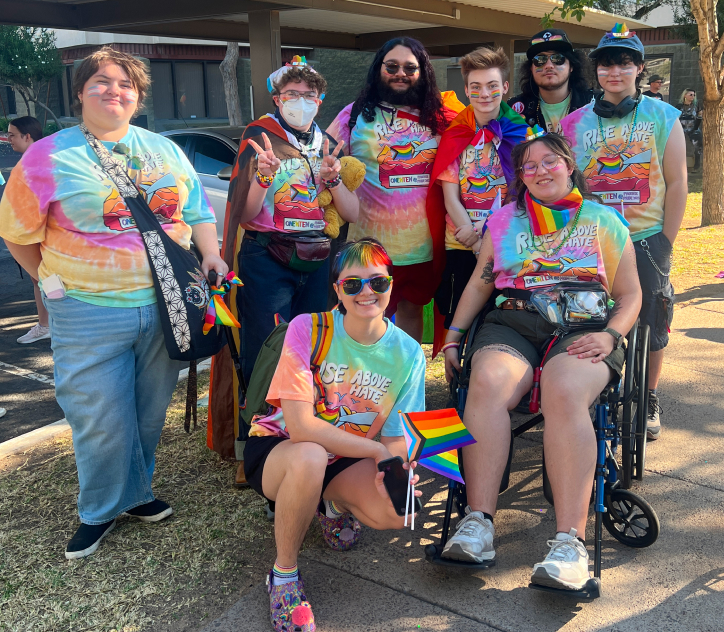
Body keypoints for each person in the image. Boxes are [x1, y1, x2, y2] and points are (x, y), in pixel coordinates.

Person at [0, 47, 225, 559]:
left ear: (138, 96)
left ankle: (137, 493)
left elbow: (194, 209)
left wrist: (210, 254)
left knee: (148, 411)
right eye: (100, 81)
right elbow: (16, 232)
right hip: (87, 308)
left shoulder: (164, 151)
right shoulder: (47, 155)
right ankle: (99, 510)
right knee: (99, 415)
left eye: (125, 84)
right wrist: (51, 284)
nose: (113, 91)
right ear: (80, 91)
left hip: (167, 301)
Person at [440, 131, 641, 591]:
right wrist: (453, 337)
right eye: (528, 166)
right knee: (488, 382)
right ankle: (478, 523)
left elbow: (630, 296)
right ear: (520, 178)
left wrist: (611, 336)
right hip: (514, 321)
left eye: (550, 161)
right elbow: (480, 283)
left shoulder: (604, 220)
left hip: (584, 328)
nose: (540, 171)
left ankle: (569, 544)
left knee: (565, 390)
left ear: (570, 165)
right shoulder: (504, 220)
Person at [243, 238, 426, 631]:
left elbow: (397, 435)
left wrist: (395, 470)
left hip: (347, 457)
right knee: (310, 454)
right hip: (282, 448)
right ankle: (284, 575)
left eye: (377, 283)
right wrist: (375, 452)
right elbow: (300, 426)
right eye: (352, 283)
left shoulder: (409, 352)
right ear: (337, 290)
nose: (366, 293)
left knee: (398, 512)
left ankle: (333, 506)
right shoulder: (307, 328)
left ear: (391, 286)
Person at [208, 59, 359, 472]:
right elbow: (244, 213)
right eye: (292, 95)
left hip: (316, 259)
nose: (301, 102)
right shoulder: (261, 137)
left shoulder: (327, 146)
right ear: (277, 98)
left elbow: (351, 211)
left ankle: (308, 430)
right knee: (266, 350)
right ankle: (254, 448)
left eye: (309, 96)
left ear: (320, 100)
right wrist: (261, 177)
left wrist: (332, 180)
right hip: (268, 257)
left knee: (314, 350)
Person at [561, 24, 687, 441]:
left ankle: (648, 395)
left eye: (624, 62)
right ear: (597, 71)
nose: (615, 71)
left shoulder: (663, 116)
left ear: (638, 68)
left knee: (652, 321)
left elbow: (678, 182)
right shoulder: (574, 122)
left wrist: (666, 241)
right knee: (590, 320)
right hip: (591, 242)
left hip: (646, 238)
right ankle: (598, 390)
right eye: (606, 63)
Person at [327, 38, 463, 342]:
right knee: (363, 315)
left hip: (422, 245)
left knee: (411, 311)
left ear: (423, 73)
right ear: (379, 69)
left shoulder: (442, 117)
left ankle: (405, 380)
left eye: (410, 68)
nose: (400, 73)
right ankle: (365, 384)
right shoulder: (354, 115)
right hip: (368, 244)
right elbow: (317, 155)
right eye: (392, 66)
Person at [430, 47, 527, 331]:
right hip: (461, 240)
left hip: (506, 242)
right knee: (459, 320)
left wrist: (488, 238)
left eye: (492, 86)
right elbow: (450, 196)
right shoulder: (454, 134)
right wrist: (474, 241)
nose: (484, 94)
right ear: (466, 89)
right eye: (476, 87)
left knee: (502, 318)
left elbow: (519, 193)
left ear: (505, 87)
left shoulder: (521, 134)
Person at [5, 116, 49, 344]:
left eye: (12, 134)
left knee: (47, 280)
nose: (8, 138)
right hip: (36, 234)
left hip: (41, 236)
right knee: (41, 280)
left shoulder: (36, 161)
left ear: (27, 136)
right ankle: (46, 323)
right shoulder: (37, 158)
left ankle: (49, 324)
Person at [508, 29, 596, 134]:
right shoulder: (514, 111)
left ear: (571, 66)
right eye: (540, 59)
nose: (549, 65)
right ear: (531, 68)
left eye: (558, 58)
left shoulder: (595, 104)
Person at [677, 88, 702, 170]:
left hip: (693, 128)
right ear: (685, 95)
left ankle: (697, 166)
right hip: (681, 128)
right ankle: (679, 166)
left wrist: (695, 128)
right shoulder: (679, 106)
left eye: (694, 95)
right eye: (690, 95)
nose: (693, 96)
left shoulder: (696, 105)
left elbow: (700, 116)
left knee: (698, 147)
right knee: (678, 147)